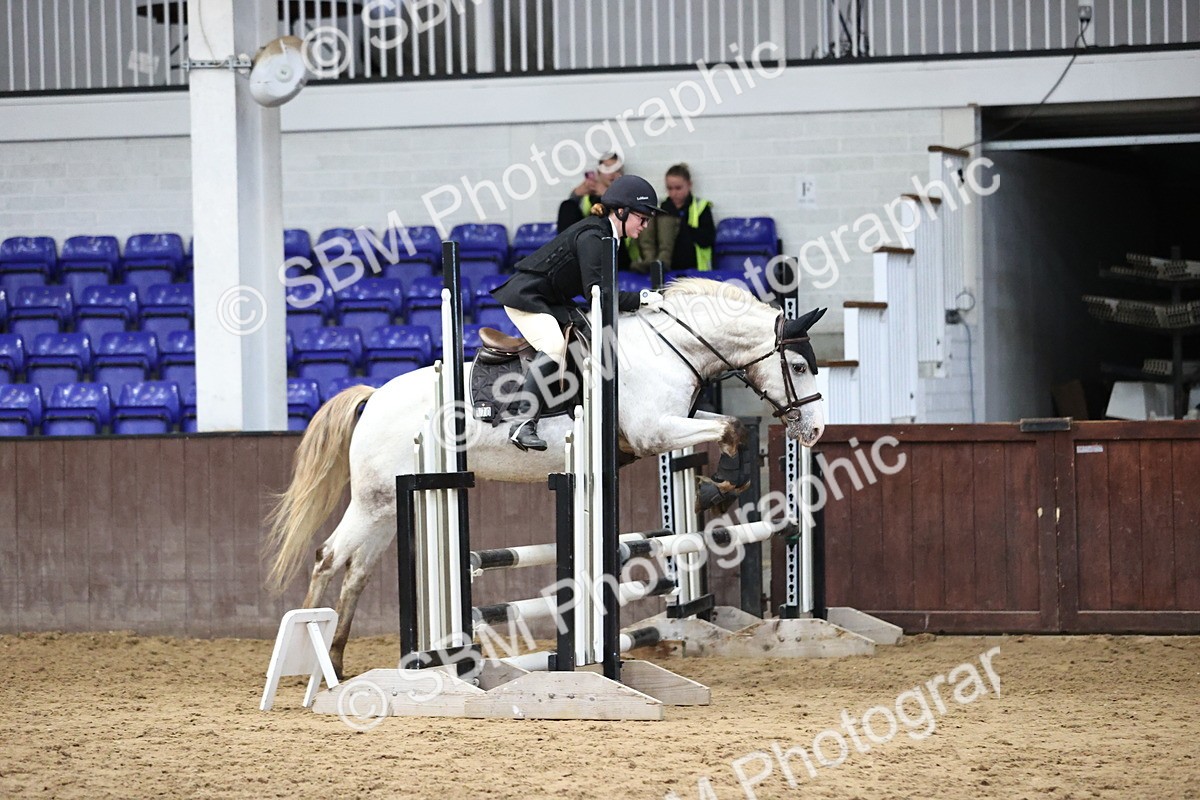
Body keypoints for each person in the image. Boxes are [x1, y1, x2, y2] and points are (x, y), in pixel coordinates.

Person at [492, 174, 666, 452]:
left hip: (551, 300)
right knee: (554, 345)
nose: (645, 225)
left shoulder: (608, 236)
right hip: (527, 298)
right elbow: (598, 293)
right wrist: (643, 298)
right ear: (620, 211)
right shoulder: (594, 237)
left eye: (647, 220)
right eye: (641, 218)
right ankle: (522, 423)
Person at [557, 152, 637, 271]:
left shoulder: (628, 193)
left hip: (619, 251)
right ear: (599, 173)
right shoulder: (588, 197)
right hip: (588, 248)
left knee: (601, 208)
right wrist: (576, 194)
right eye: (607, 169)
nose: (613, 173)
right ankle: (566, 258)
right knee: (567, 205)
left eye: (617, 169)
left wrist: (605, 195)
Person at [660, 163, 716, 271]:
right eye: (669, 188)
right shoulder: (662, 207)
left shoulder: (702, 207)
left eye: (678, 188)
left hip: (696, 269)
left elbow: (708, 239)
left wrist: (682, 224)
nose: (673, 193)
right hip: (668, 270)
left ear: (689, 185)